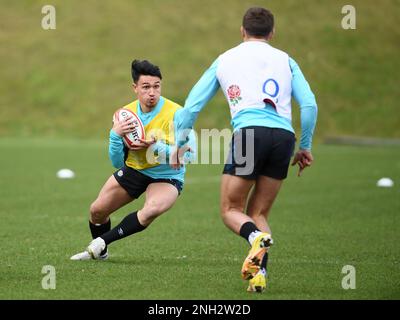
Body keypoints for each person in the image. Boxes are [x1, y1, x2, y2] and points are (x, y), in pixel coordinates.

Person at [176, 7, 318, 292]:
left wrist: (179, 143)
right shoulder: (286, 60)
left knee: (231, 209)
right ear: (272, 33)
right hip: (283, 138)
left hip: (250, 135)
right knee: (259, 212)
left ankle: (254, 237)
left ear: (242, 31)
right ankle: (259, 275)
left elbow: (191, 106)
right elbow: (310, 105)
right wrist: (304, 146)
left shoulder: (226, 59)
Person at [70, 59, 196, 261]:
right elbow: (117, 163)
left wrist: (154, 147)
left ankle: (102, 242)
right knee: (97, 211)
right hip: (135, 170)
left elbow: (190, 155)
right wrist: (115, 135)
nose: (152, 92)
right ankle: (101, 254)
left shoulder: (177, 114)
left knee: (151, 210)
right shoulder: (125, 115)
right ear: (135, 88)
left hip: (167, 175)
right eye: (146, 87)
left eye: (156, 86)